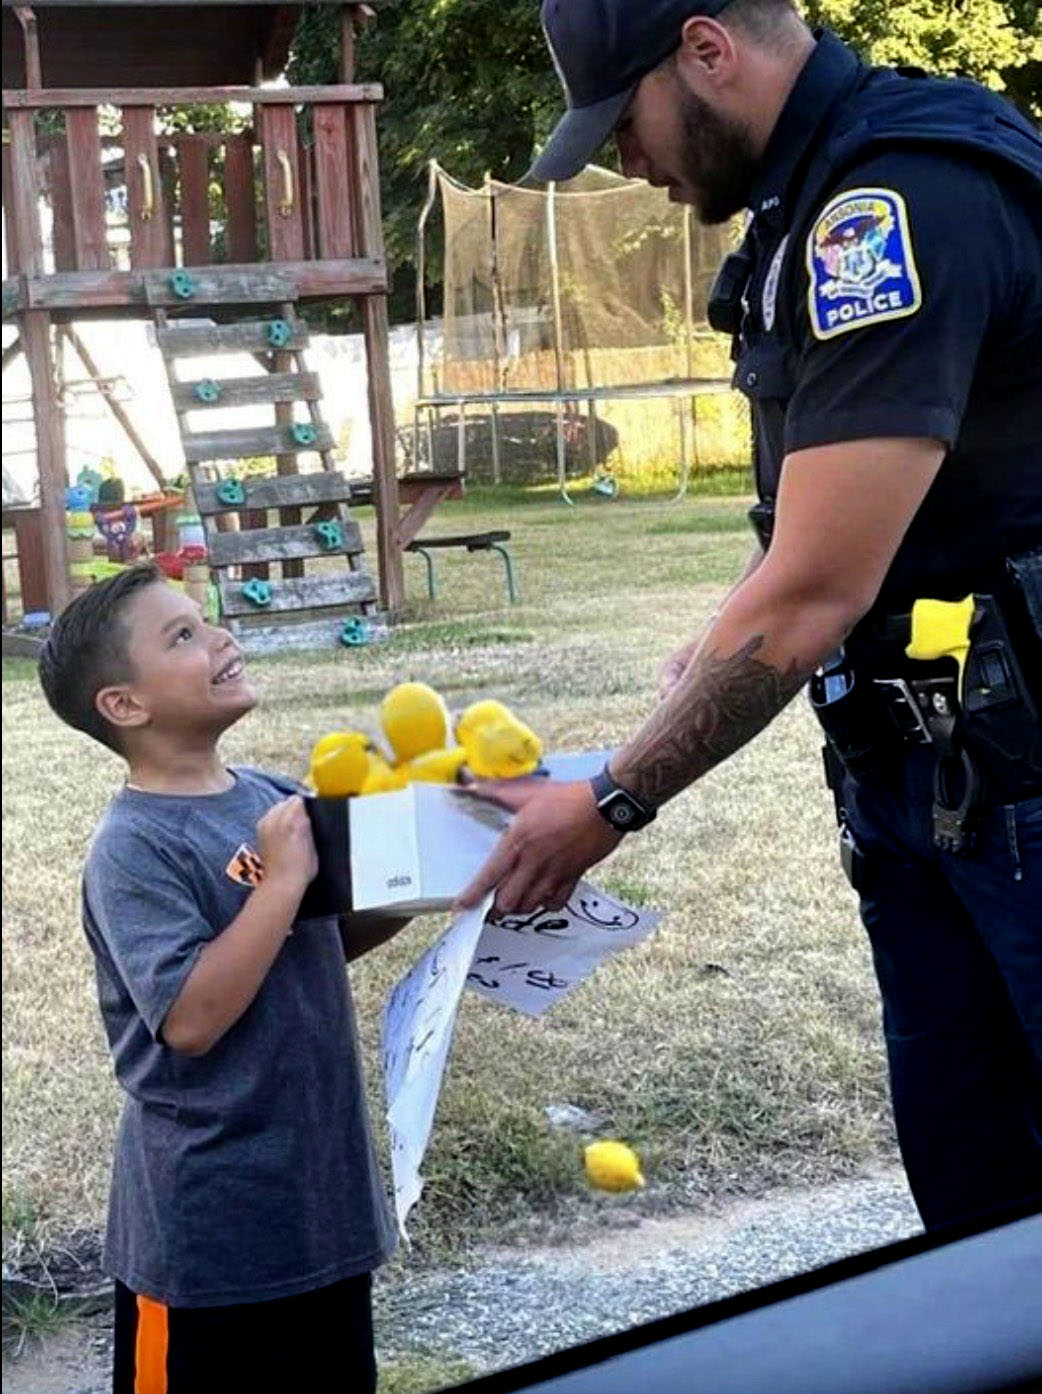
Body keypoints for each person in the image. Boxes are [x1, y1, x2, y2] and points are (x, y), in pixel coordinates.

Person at [460, 0, 1042, 1232]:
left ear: (707, 50)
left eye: (625, 122)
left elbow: (814, 592)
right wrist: (715, 646)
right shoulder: (807, 205)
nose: (627, 160)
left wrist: (612, 798)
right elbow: (817, 541)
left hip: (1019, 782)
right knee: (978, 1202)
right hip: (930, 772)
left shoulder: (898, 204)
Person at [38, 564, 405, 1394]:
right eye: (183, 637)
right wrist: (277, 884)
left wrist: (410, 896)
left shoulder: (270, 797)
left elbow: (313, 946)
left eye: (206, 622)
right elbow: (192, 1020)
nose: (220, 639)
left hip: (322, 1205)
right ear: (125, 705)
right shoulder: (133, 849)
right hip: (206, 1239)